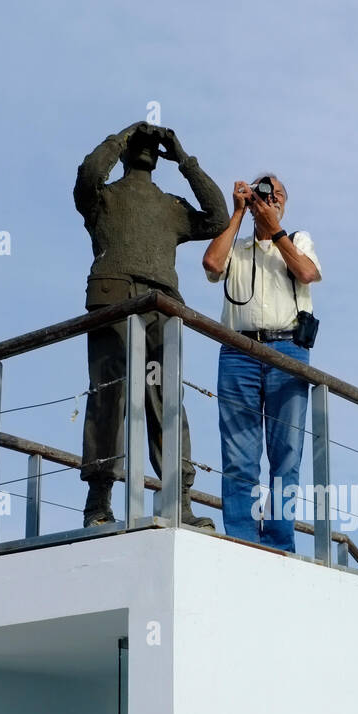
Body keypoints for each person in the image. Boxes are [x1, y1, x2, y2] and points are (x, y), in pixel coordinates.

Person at [74, 120, 229, 527]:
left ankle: (177, 501)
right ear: (125, 152)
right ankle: (99, 501)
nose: (143, 147)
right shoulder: (102, 199)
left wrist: (183, 157)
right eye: (136, 144)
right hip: (114, 301)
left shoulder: (171, 207)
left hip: (161, 311)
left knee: (165, 402)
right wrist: (121, 135)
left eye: (149, 144)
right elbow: (90, 172)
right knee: (110, 396)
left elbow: (218, 218)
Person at [202, 175, 321, 551]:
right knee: (239, 454)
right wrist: (238, 213)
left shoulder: (298, 240)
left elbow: (306, 273)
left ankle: (279, 542)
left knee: (286, 454)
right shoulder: (236, 246)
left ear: (284, 204)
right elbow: (211, 263)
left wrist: (276, 231)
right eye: (262, 193)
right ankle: (241, 539)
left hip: (288, 350)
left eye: (277, 195)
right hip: (238, 350)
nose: (270, 199)